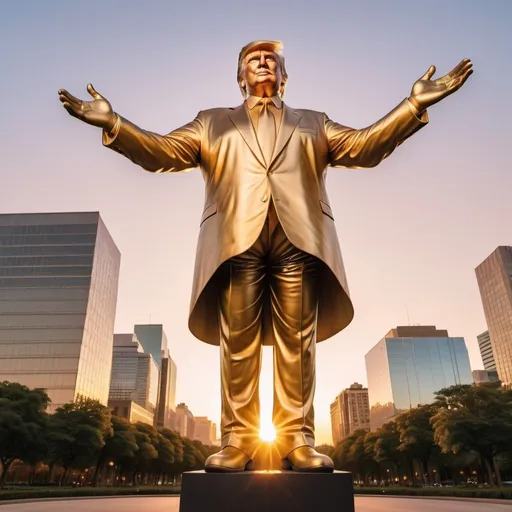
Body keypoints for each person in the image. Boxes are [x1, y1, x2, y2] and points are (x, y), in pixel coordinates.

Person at [58, 40, 472, 473]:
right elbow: (161, 152)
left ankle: (297, 441)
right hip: (236, 241)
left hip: (301, 241)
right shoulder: (212, 122)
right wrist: (114, 124)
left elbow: (366, 147)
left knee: (298, 344)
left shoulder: (314, 123)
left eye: (271, 59)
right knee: (238, 344)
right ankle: (238, 441)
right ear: (241, 77)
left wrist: (412, 106)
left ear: (284, 76)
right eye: (253, 60)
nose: (262, 63)